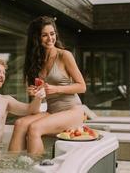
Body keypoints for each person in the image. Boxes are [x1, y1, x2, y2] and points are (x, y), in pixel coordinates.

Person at [8, 16, 86, 155]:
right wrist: (37, 95)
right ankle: (11, 167)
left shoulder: (64, 55)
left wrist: (56, 89)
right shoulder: (36, 61)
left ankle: (35, 168)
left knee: (34, 128)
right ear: (36, 38)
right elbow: (35, 108)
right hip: (52, 112)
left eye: (52, 33)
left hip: (73, 111)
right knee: (20, 124)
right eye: (44, 35)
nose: (50, 38)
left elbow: (82, 86)